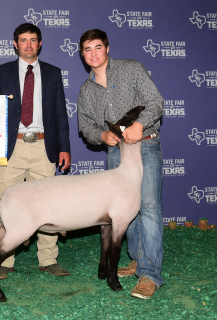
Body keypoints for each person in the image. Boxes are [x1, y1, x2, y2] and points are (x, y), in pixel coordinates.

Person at [0, 23, 71, 279]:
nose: (28, 44)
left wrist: (64, 147)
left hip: (44, 146)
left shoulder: (53, 72)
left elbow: (61, 114)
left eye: (33, 39)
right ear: (15, 44)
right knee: (4, 203)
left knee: (47, 205)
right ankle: (5, 260)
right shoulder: (2, 71)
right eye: (23, 40)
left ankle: (48, 259)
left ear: (40, 43)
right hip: (11, 147)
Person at [77, 29, 164, 299]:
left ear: (107, 48)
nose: (93, 53)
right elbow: (86, 127)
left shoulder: (132, 69)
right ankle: (137, 260)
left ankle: (150, 275)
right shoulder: (86, 90)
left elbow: (156, 102)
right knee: (127, 211)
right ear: (82, 54)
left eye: (97, 47)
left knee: (148, 207)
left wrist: (139, 124)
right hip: (116, 153)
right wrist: (101, 135)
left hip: (144, 146)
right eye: (87, 49)